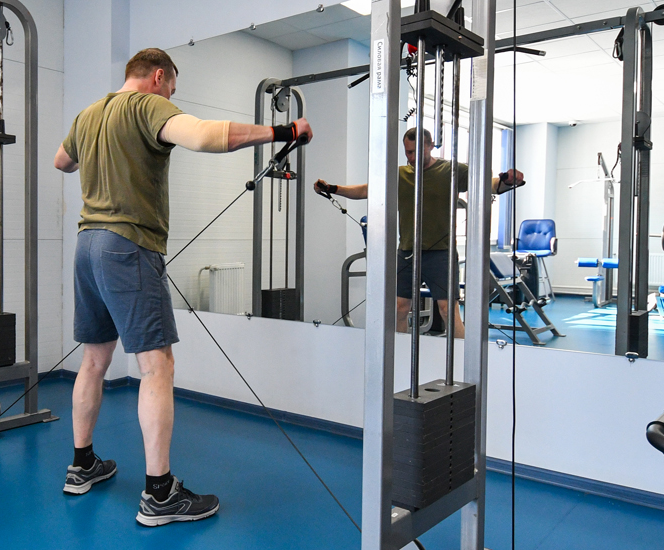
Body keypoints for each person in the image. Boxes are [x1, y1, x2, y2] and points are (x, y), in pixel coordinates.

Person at [53, 47, 313, 527]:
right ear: (158, 77)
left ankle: (81, 465)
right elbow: (205, 136)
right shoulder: (147, 105)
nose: (172, 98)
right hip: (127, 246)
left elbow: (61, 161)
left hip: (87, 245)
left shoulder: (89, 114)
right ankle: (159, 494)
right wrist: (283, 131)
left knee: (93, 361)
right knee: (157, 367)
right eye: (172, 89)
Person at [314, 127, 523, 335]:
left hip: (441, 254)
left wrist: (507, 181)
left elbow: (488, 184)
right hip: (407, 252)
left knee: (448, 311)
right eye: (407, 152)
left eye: (415, 151)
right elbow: (366, 190)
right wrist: (333, 189)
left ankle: (461, 354)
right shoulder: (399, 174)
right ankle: (400, 352)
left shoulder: (451, 170)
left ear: (430, 146)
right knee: (399, 308)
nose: (411, 157)